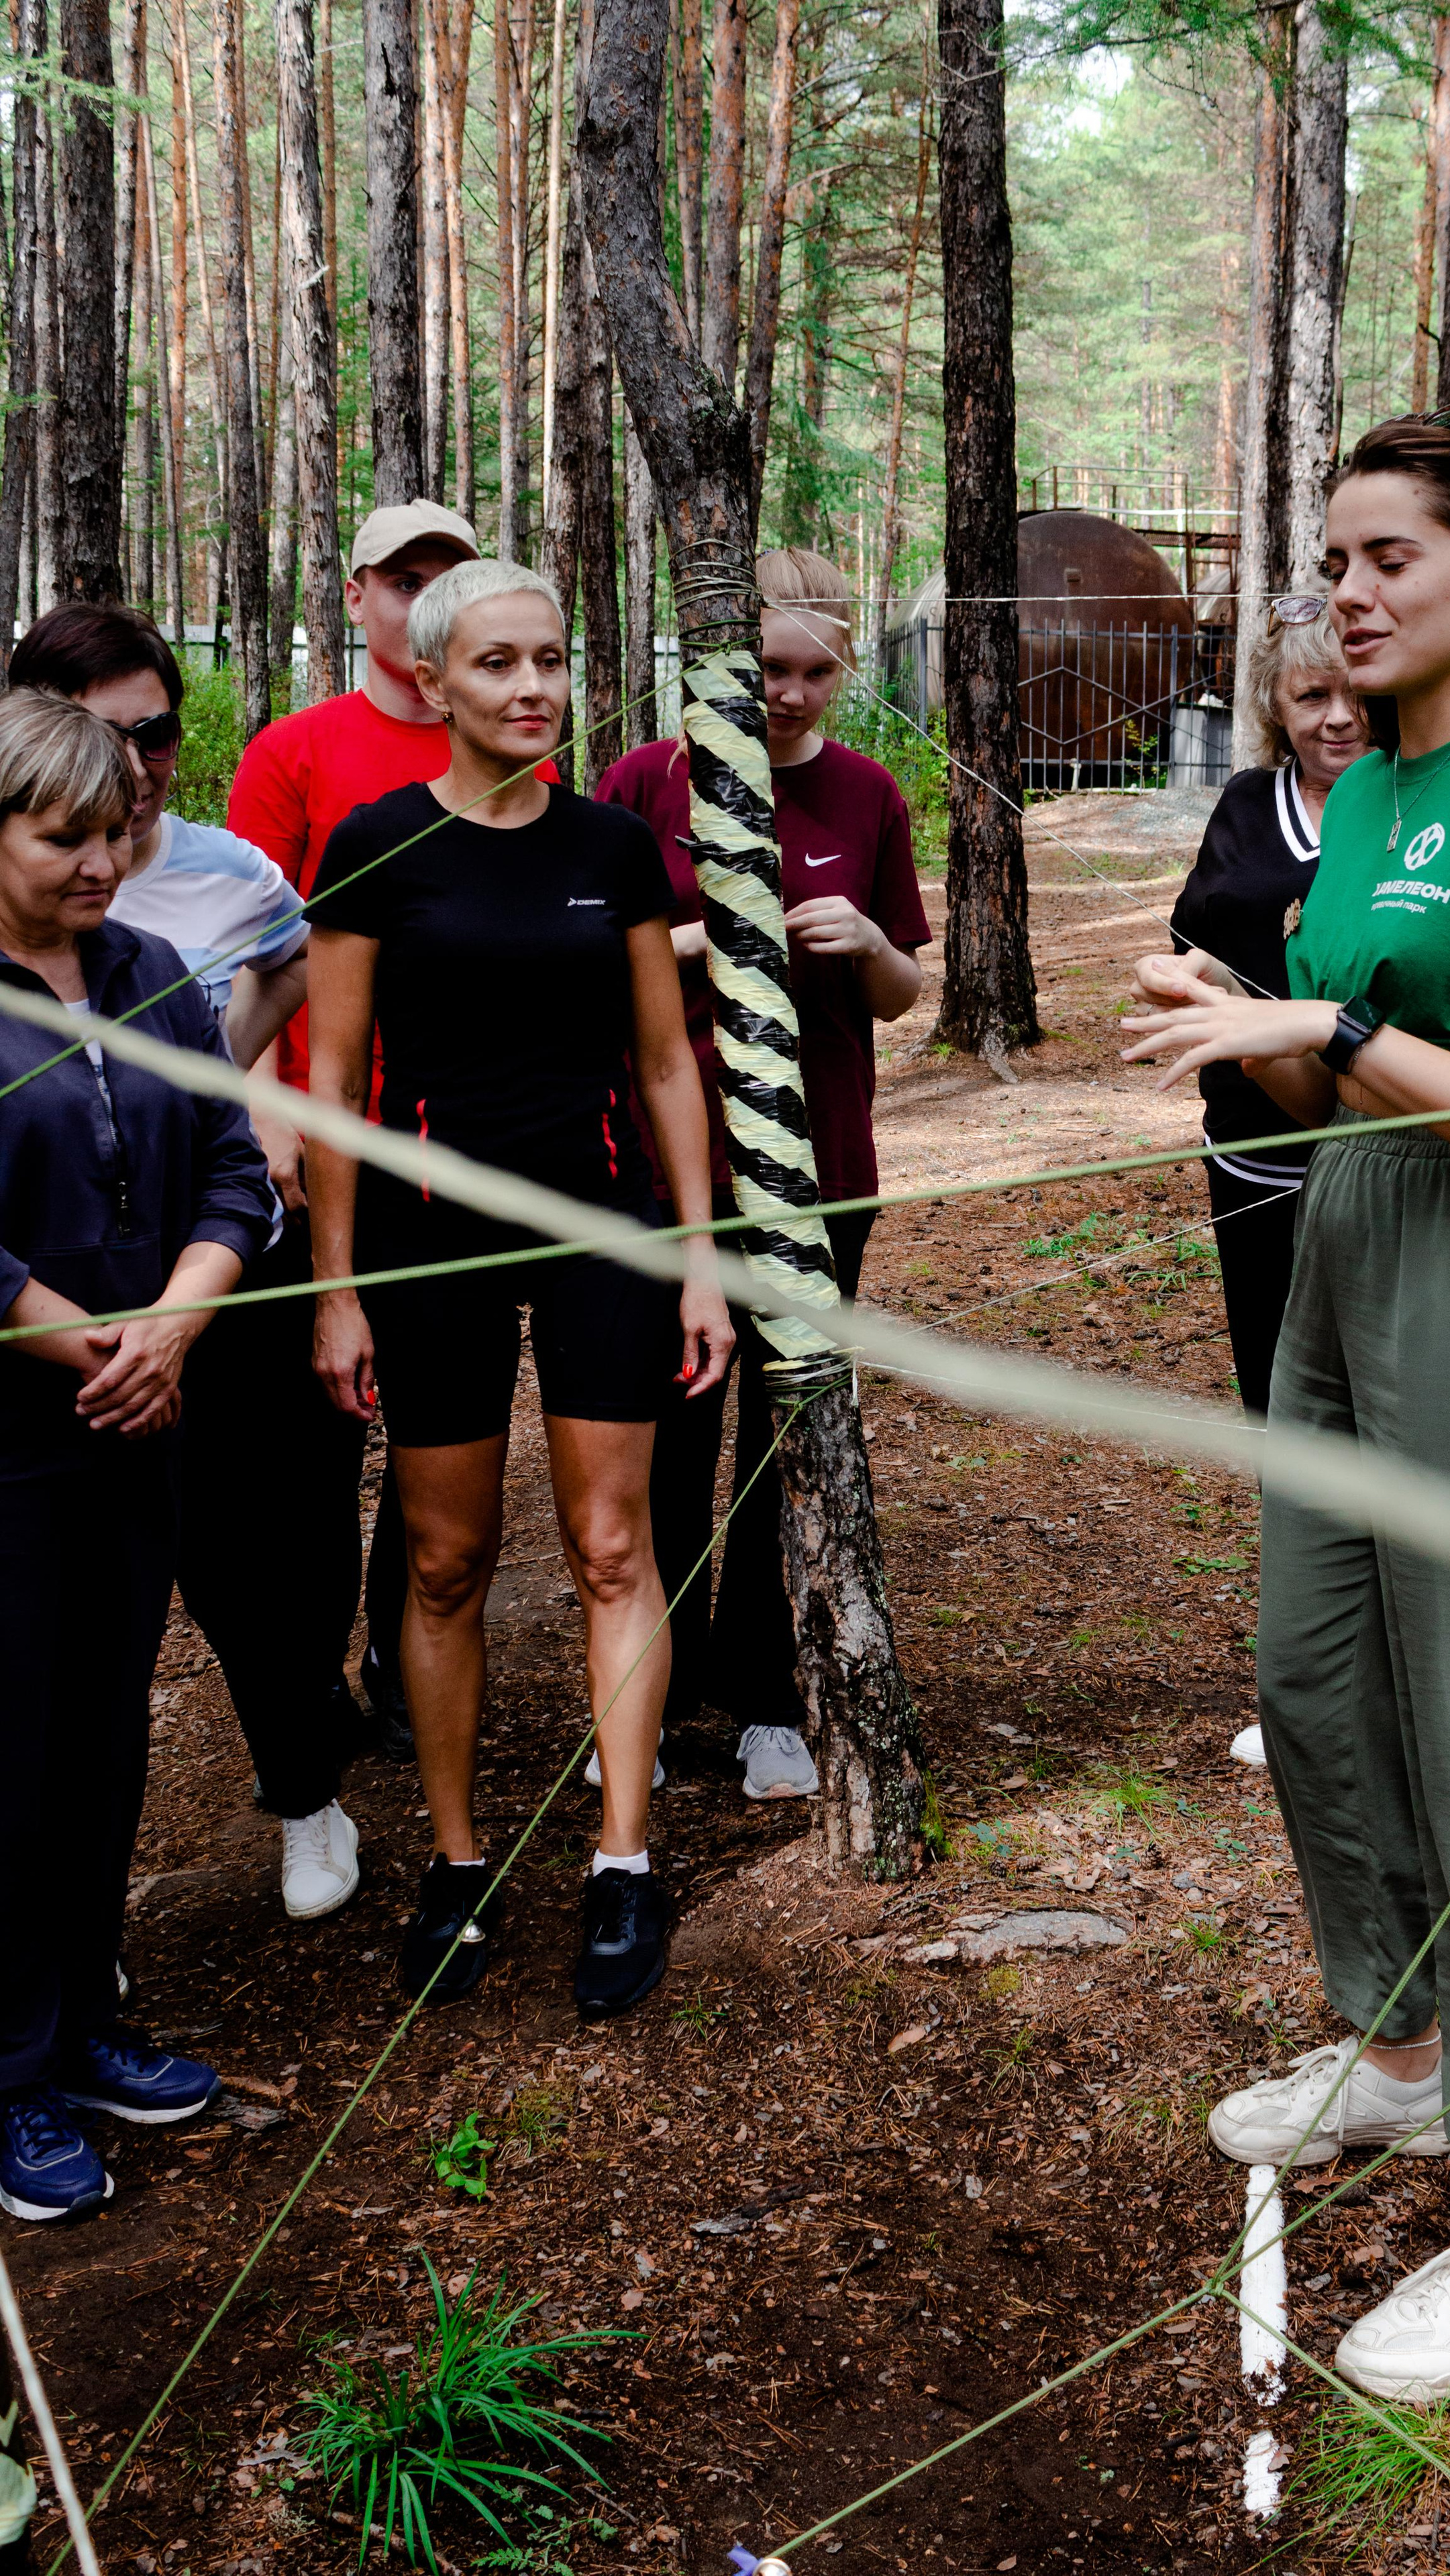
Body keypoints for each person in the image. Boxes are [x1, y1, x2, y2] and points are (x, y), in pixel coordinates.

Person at [1121, 406, 1450, 2402]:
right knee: (1320, 1676)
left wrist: (1327, 1023)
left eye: (1385, 557)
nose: (1344, 591)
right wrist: (1229, 1026)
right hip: (1337, 1256)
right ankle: (1404, 2052)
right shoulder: (1351, 800)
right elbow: (1319, 1077)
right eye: (1328, 560)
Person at [306, 559, 733, 2022]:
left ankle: (622, 1863)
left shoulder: (615, 847)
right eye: (497, 664)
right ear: (432, 683)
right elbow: (334, 1082)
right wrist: (336, 1289)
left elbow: (667, 1061)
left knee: (615, 1547)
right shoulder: (372, 849)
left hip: (606, 1223)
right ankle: (454, 1857)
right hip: (431, 1240)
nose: (532, 688)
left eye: (549, 660)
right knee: (443, 1562)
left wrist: (695, 1257)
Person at [8, 604, 362, 1924]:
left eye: (160, 734)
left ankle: (301, 1783)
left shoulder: (183, 918)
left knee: (260, 1543)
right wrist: (99, 1339)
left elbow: (277, 986)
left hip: (214, 1283)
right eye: (107, 743)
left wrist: (244, 1090)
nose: (138, 771)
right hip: (60, 1337)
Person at [0, 690, 273, 2221]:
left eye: (118, 828)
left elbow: (233, 1166)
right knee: (11, 1758)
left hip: (140, 1421)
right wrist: (91, 1346)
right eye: (64, 836)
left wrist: (172, 1324)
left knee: (106, 1739)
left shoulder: (152, 974)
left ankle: (83, 2016)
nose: (105, 859)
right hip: (20, 1446)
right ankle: (11, 2071)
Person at [594, 547, 928, 1799]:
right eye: (764, 670)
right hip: (666, 1170)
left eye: (812, 672)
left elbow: (904, 989)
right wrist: (716, 933)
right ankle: (653, 1690)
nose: (786, 696)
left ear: (844, 670)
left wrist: (866, 945)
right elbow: (594, 964)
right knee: (667, 1430)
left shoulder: (866, 795)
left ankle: (766, 1693)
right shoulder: (644, 783)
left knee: (784, 1437)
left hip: (822, 1163)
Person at [227, 498, 499, 1760]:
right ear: (359, 598)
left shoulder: (507, 748)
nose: (418, 599)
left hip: (451, 1146)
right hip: (316, 1149)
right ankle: (316, 1673)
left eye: (446, 577)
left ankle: (406, 1651)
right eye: (401, 580)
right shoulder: (294, 752)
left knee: (438, 1418)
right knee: (328, 1427)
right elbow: (245, 952)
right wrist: (271, 1117)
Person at [1155, 603, 1365, 1418]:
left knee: (1374, 1400)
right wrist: (1176, 976)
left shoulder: (1413, 810)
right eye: (1313, 696)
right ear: (1275, 705)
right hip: (1250, 1151)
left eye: (1355, 695)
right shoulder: (1245, 805)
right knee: (1275, 1397)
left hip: (1375, 1155)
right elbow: (1201, 941)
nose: (1339, 718)